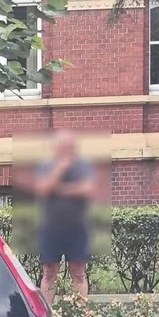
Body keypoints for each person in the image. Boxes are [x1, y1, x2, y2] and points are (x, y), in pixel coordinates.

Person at [36, 130, 95, 303]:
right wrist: (60, 169)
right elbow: (43, 189)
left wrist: (60, 190)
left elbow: (88, 189)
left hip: (76, 227)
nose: (66, 151)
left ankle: (81, 314)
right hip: (50, 227)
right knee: (48, 272)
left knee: (78, 271)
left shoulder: (83, 166)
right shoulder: (47, 166)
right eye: (62, 147)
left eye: (69, 147)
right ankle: (47, 314)